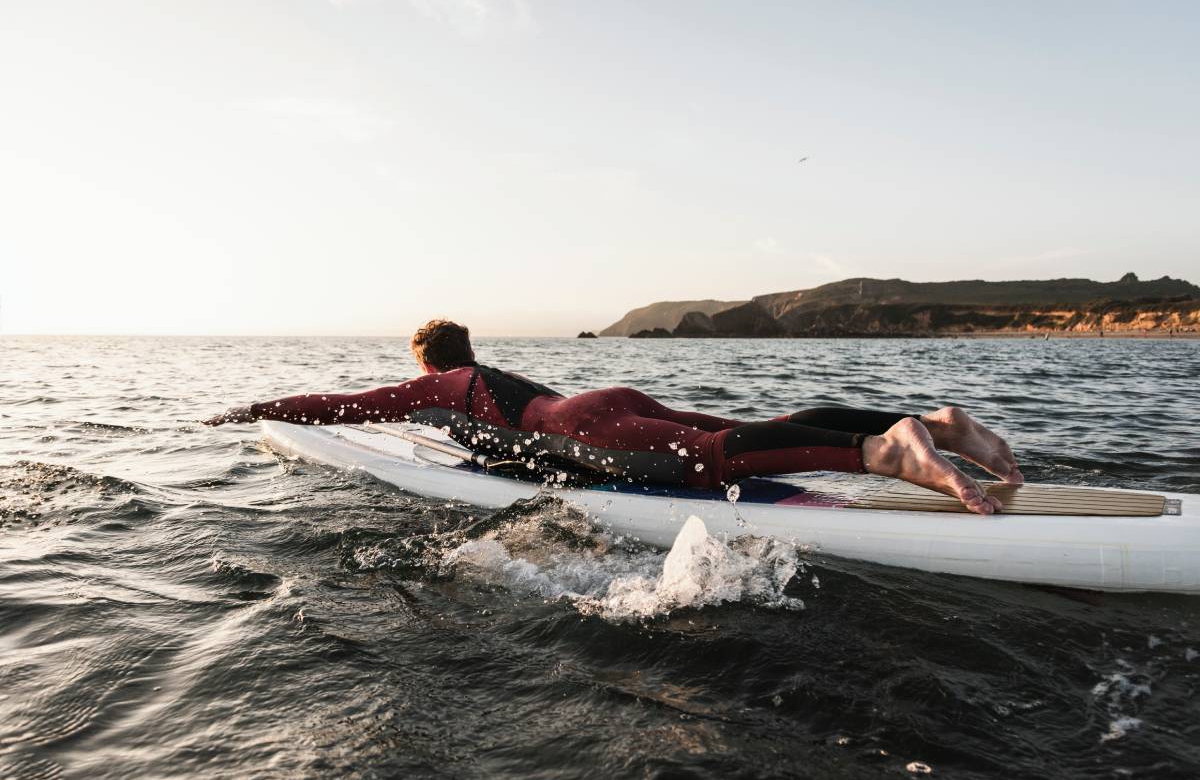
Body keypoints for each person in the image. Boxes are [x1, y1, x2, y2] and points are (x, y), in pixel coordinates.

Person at [204, 320, 1023, 514]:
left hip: (591, 430)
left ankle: (886, 451)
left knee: (713, 460)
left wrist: (252, 408)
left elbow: (335, 406)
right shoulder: (493, 371)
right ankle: (932, 421)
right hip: (609, 404)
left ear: (426, 362)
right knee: (753, 428)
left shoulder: (442, 387)